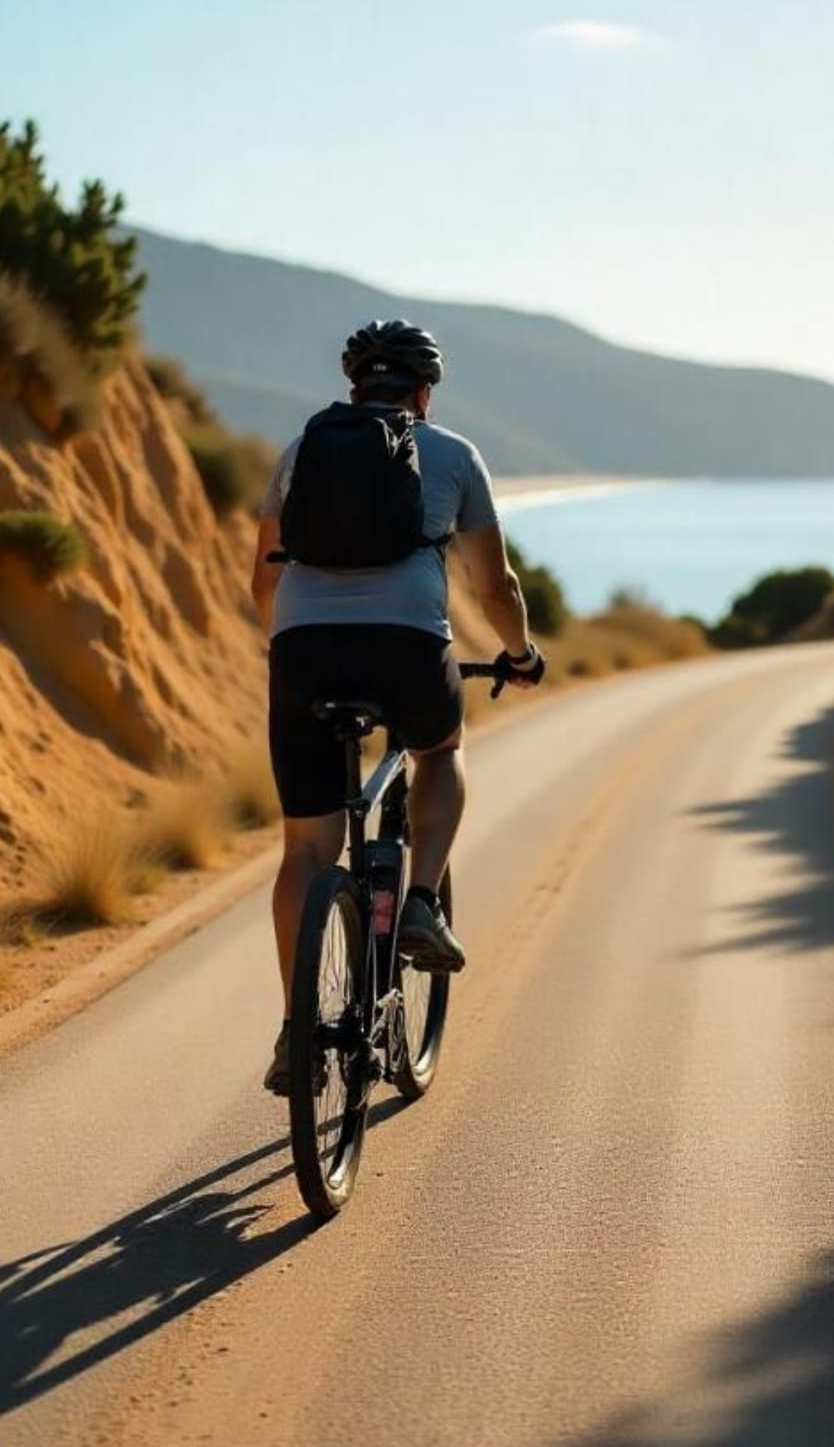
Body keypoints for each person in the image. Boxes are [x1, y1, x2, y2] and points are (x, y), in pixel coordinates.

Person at [250, 319, 545, 1095]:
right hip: (407, 646)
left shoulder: (301, 453)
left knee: (304, 853)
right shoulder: (453, 454)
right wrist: (518, 655)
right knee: (439, 751)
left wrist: (286, 652)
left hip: (303, 652)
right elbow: (494, 588)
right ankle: (419, 901)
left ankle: (298, 1031)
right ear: (425, 393)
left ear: (354, 388)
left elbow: (263, 582)